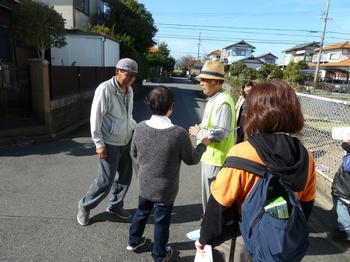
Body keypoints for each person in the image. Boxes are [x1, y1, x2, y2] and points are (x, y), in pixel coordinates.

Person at [195, 80, 317, 261]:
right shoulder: (306, 156)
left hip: (243, 242)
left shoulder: (242, 152)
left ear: (255, 113)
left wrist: (204, 238)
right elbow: (305, 205)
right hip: (282, 245)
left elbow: (219, 206)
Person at [127, 86, 209, 262]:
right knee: (161, 221)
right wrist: (203, 144)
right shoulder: (178, 133)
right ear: (171, 107)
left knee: (141, 212)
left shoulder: (140, 127)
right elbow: (192, 159)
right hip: (166, 188)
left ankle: (133, 241)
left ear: (149, 105)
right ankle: (159, 254)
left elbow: (133, 153)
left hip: (145, 182)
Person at [77, 58, 138, 226]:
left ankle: (115, 206)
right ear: (117, 71)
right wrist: (99, 144)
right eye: (128, 75)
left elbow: (129, 116)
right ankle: (84, 205)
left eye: (134, 77)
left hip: (126, 140)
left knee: (125, 177)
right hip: (109, 142)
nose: (131, 80)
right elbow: (95, 118)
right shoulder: (105, 89)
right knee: (105, 180)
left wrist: (137, 129)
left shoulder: (129, 90)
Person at [189, 61, 236, 212]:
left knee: (212, 197)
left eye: (204, 80)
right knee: (209, 196)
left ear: (216, 82)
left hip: (217, 158)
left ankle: (210, 230)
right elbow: (211, 125)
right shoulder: (214, 98)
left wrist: (199, 133)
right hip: (209, 156)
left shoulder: (223, 102)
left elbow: (221, 132)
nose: (201, 83)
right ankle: (208, 226)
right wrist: (201, 128)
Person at [331, 139, 350, 241]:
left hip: (344, 188)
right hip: (345, 186)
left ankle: (346, 231)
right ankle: (343, 227)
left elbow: (347, 166)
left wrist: (346, 144)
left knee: (341, 205)